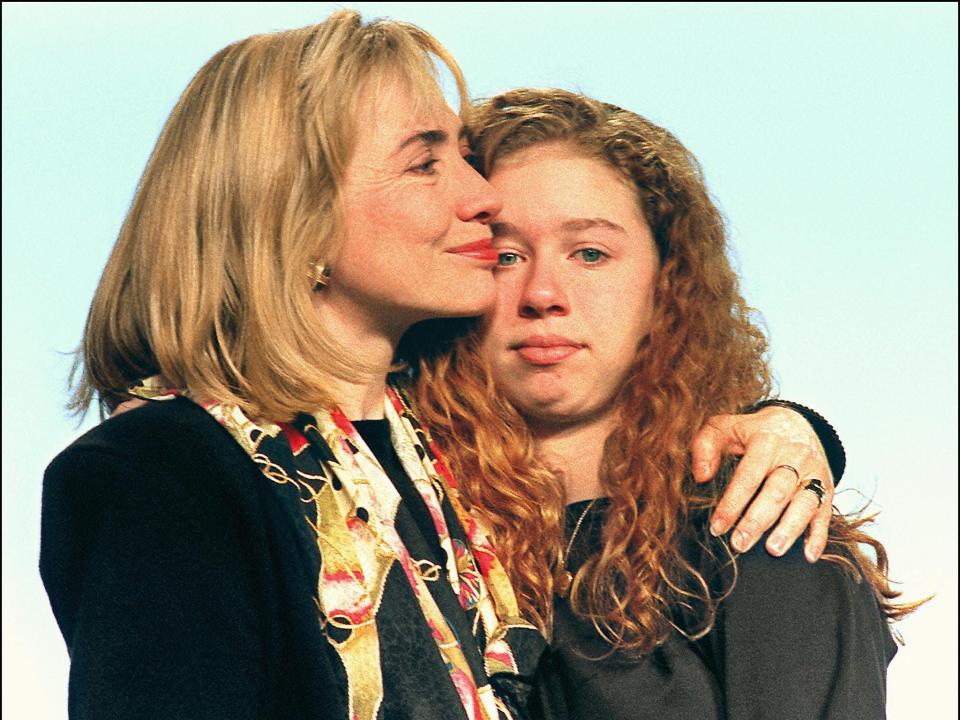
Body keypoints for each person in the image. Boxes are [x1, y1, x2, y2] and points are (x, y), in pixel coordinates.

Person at [42, 11, 842, 720]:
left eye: (463, 154)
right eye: (427, 163)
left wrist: (796, 431)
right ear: (295, 213)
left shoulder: (434, 466)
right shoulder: (161, 475)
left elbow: (616, 497)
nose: (482, 198)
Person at [411, 88, 920, 719]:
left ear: (668, 284)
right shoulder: (402, 537)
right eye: (506, 255)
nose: (543, 292)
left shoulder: (758, 536)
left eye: (590, 253)